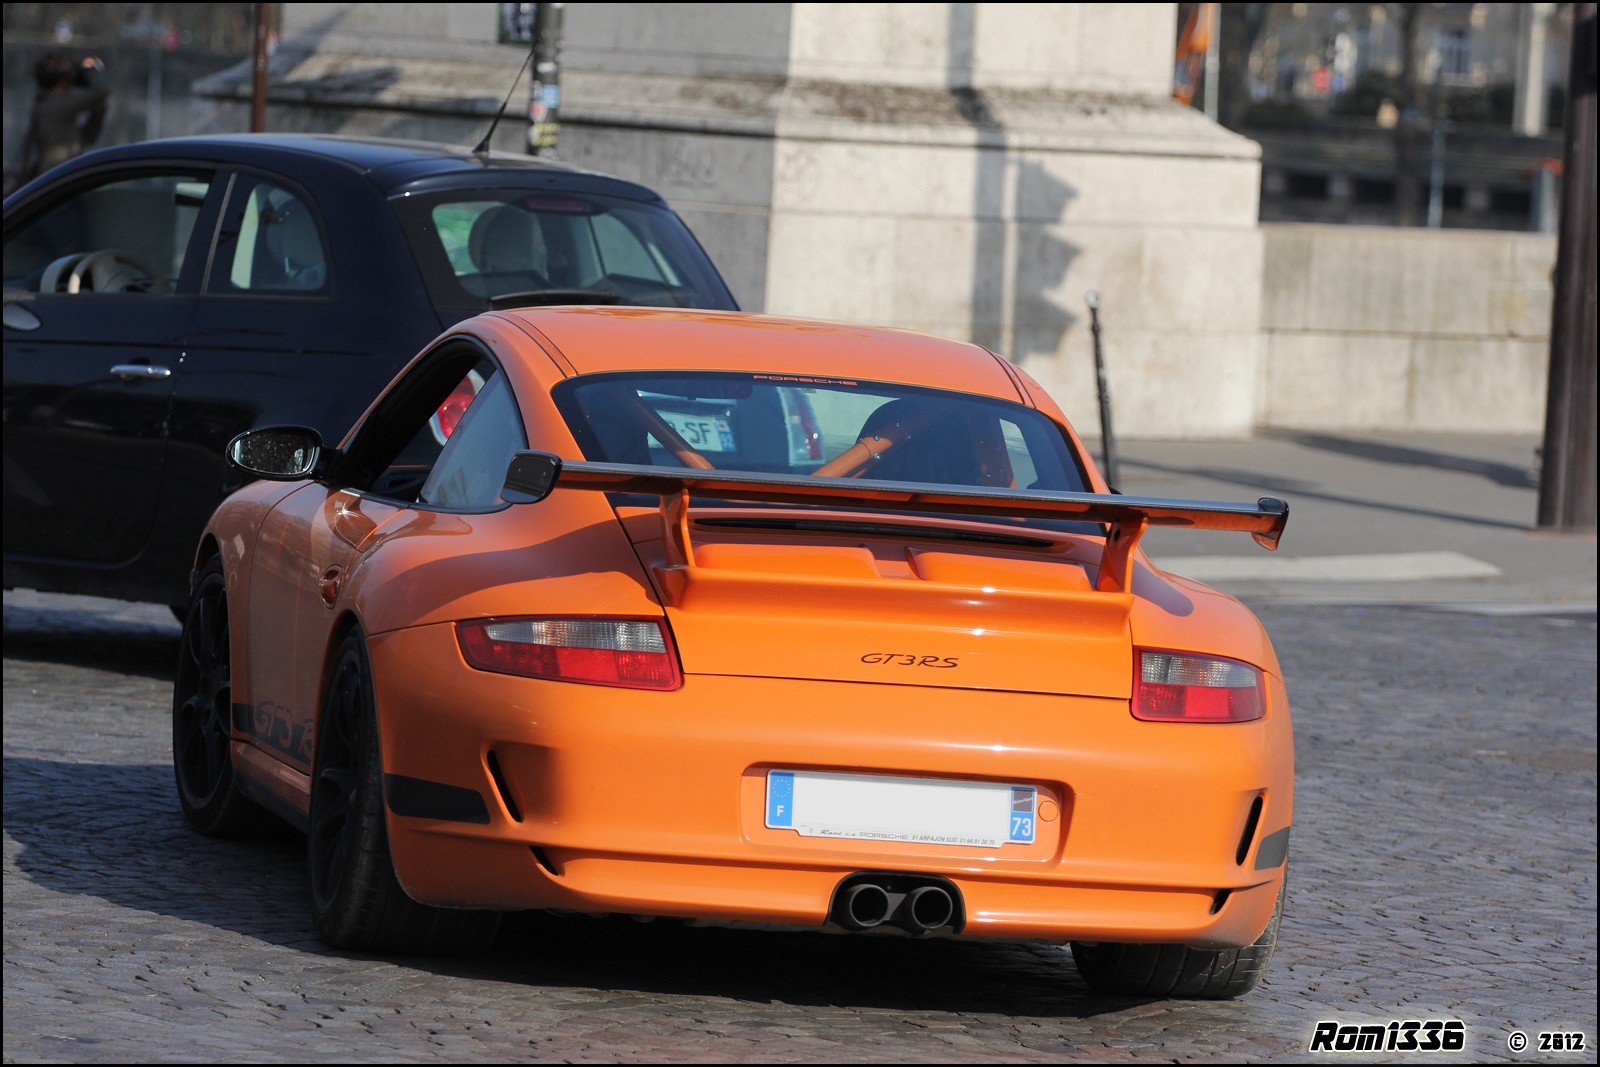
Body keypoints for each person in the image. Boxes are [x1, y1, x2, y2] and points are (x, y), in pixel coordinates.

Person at [17, 51, 110, 186]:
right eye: (70, 76)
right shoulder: (53, 107)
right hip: (55, 182)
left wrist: (99, 110)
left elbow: (89, 138)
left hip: (64, 179)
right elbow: (102, 91)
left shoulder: (48, 107)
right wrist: (88, 71)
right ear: (63, 81)